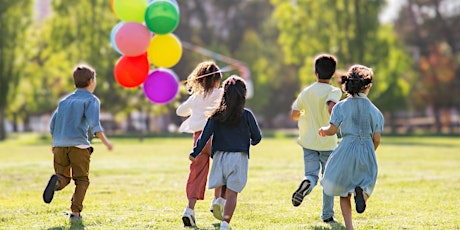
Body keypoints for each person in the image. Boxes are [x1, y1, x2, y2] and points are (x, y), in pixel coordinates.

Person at [189, 75, 262, 230]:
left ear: (224, 93)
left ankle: (218, 201)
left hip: (220, 157)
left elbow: (205, 136)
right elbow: (257, 137)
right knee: (233, 193)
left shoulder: (216, 115)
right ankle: (225, 223)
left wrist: (195, 153)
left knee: (223, 183)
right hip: (239, 157)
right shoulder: (247, 115)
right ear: (243, 95)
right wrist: (249, 142)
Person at [43, 65, 113, 221]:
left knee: (63, 177)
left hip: (59, 145)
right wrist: (106, 143)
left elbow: (52, 125)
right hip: (79, 146)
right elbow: (95, 125)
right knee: (81, 180)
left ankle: (56, 183)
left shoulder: (64, 101)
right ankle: (75, 213)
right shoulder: (91, 100)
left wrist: (54, 144)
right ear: (91, 81)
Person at [319, 64, 384, 230]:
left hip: (346, 150)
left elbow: (332, 130)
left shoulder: (340, 106)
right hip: (367, 150)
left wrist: (323, 130)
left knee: (343, 191)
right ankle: (361, 194)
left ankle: (350, 227)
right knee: (366, 184)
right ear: (368, 86)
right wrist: (370, 150)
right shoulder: (375, 111)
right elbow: (376, 138)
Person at [290, 54, 342, 223]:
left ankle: (306, 183)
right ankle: (327, 214)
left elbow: (294, 114)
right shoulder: (334, 90)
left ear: (315, 73)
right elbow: (331, 106)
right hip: (327, 141)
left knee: (311, 175)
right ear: (333, 74)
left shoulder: (307, 91)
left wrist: (304, 114)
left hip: (308, 141)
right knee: (328, 179)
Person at [176, 61, 225, 227]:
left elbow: (180, 111)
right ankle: (217, 201)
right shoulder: (220, 94)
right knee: (220, 168)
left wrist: (195, 108)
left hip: (198, 140)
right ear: (217, 80)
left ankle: (189, 210)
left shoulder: (196, 97)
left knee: (196, 173)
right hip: (217, 137)